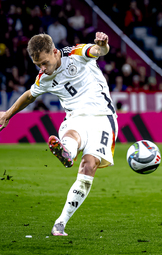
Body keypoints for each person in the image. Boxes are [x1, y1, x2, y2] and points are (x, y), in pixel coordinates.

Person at [0, 32, 118, 236]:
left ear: (55, 52)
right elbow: (30, 95)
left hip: (103, 118)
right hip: (75, 117)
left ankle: (60, 223)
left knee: (89, 166)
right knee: (72, 135)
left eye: (45, 63)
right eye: (38, 65)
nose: (43, 69)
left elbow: (99, 51)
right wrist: (7, 115)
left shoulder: (76, 53)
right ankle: (66, 153)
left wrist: (103, 45)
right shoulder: (44, 77)